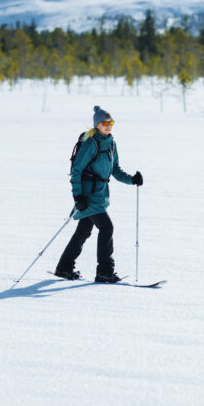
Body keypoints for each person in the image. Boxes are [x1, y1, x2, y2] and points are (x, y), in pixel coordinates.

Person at [54, 105, 142, 283]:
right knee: (106, 227)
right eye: (105, 123)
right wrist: (77, 197)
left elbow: (115, 170)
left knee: (83, 231)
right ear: (97, 125)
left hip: (100, 195)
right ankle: (104, 271)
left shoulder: (111, 143)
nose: (108, 126)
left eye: (111, 122)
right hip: (88, 196)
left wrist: (132, 180)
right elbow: (76, 171)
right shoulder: (90, 143)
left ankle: (64, 267)